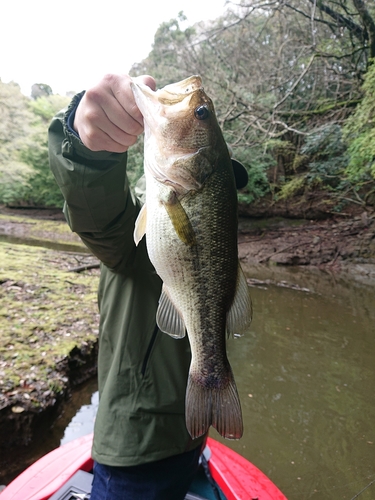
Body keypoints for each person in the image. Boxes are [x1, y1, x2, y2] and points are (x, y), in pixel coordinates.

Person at [48, 73, 248, 499]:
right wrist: (87, 145)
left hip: (190, 436)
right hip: (134, 445)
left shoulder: (213, 247)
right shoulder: (128, 236)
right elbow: (94, 209)